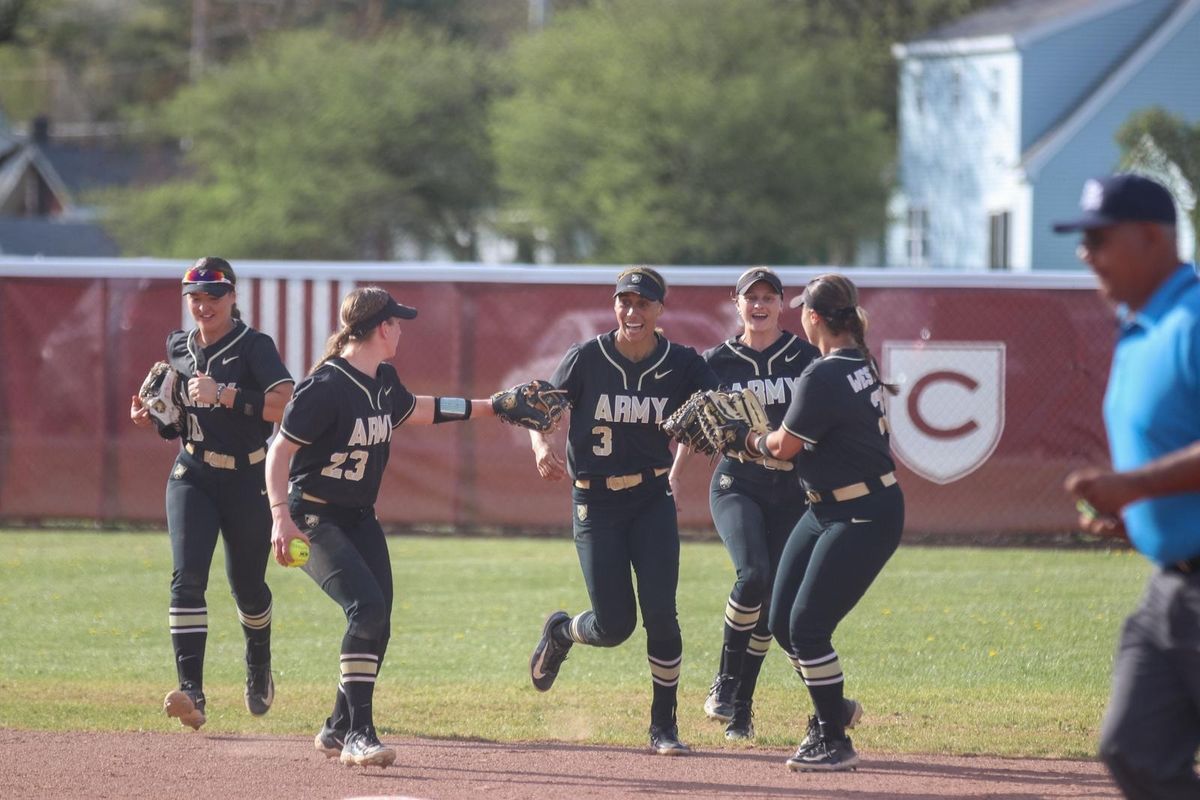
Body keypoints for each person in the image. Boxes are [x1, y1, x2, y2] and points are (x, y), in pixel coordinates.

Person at [264, 286, 503, 768]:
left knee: (380, 623)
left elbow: (419, 409)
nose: (400, 330)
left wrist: (491, 406)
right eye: (396, 323)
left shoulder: (382, 380)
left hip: (358, 517)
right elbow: (278, 452)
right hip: (314, 515)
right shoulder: (325, 387)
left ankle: (335, 728)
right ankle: (359, 734)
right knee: (366, 609)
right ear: (380, 328)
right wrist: (281, 518)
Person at [526, 266, 719, 755]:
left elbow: (719, 397)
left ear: (659, 309)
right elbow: (540, 410)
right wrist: (541, 447)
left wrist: (721, 421)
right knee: (614, 626)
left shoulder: (680, 362)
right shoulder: (587, 357)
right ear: (615, 306)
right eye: (624, 302)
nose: (632, 311)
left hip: (651, 497)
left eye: (642, 303)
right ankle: (562, 631)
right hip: (595, 500)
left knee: (662, 613)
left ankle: (664, 726)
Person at [1057, 173, 1200, 798]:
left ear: (1149, 237)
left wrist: (1133, 485)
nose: (1085, 253)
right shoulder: (1139, 325)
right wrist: (1138, 512)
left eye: (1098, 237)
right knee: (1134, 749)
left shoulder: (1194, 318)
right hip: (1172, 585)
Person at [669, 267, 838, 741]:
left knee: (771, 606)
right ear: (736, 303)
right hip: (737, 481)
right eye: (751, 297)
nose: (759, 305)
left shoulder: (806, 357)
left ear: (782, 304)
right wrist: (677, 476)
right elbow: (695, 422)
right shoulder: (717, 360)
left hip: (792, 489)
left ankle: (741, 706)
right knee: (754, 575)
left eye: (768, 297)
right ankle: (725, 680)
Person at [743, 273, 903, 771]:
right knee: (780, 622)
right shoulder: (854, 360)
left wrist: (741, 438)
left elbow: (783, 449)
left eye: (800, 311)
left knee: (807, 628)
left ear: (814, 318)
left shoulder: (825, 373)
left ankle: (834, 739)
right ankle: (831, 708)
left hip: (862, 513)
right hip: (827, 509)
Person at [130, 257, 295, 730]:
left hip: (248, 478)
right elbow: (178, 415)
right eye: (195, 298)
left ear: (233, 298)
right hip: (193, 472)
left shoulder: (254, 346)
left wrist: (225, 393)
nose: (203, 306)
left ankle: (258, 661)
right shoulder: (177, 345)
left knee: (247, 588)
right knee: (186, 579)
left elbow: (285, 405)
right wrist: (154, 416)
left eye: (213, 297)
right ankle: (192, 693)